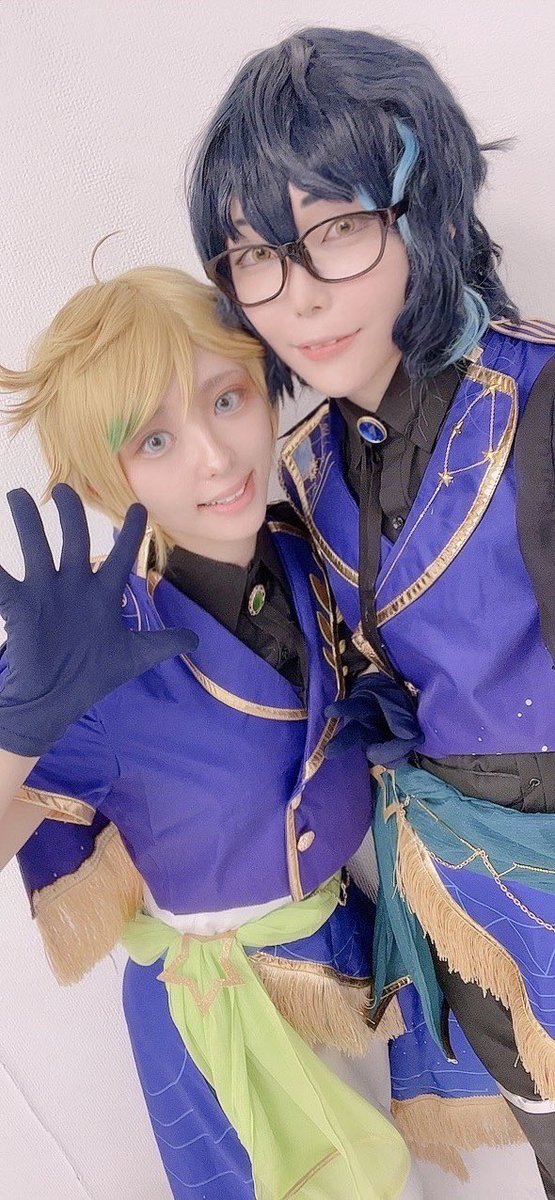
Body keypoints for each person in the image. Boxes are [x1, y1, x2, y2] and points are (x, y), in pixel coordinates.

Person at [187, 25, 555, 1198]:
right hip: (470, 917)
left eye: (337, 229)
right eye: (256, 256)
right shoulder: (307, 465)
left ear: (423, 208)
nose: (298, 297)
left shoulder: (539, 404)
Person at [0, 266, 426, 1199]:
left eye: (226, 398)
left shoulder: (316, 544)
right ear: (103, 478)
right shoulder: (95, 651)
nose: (214, 457)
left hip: (348, 958)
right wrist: (20, 728)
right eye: (154, 438)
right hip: (208, 1018)